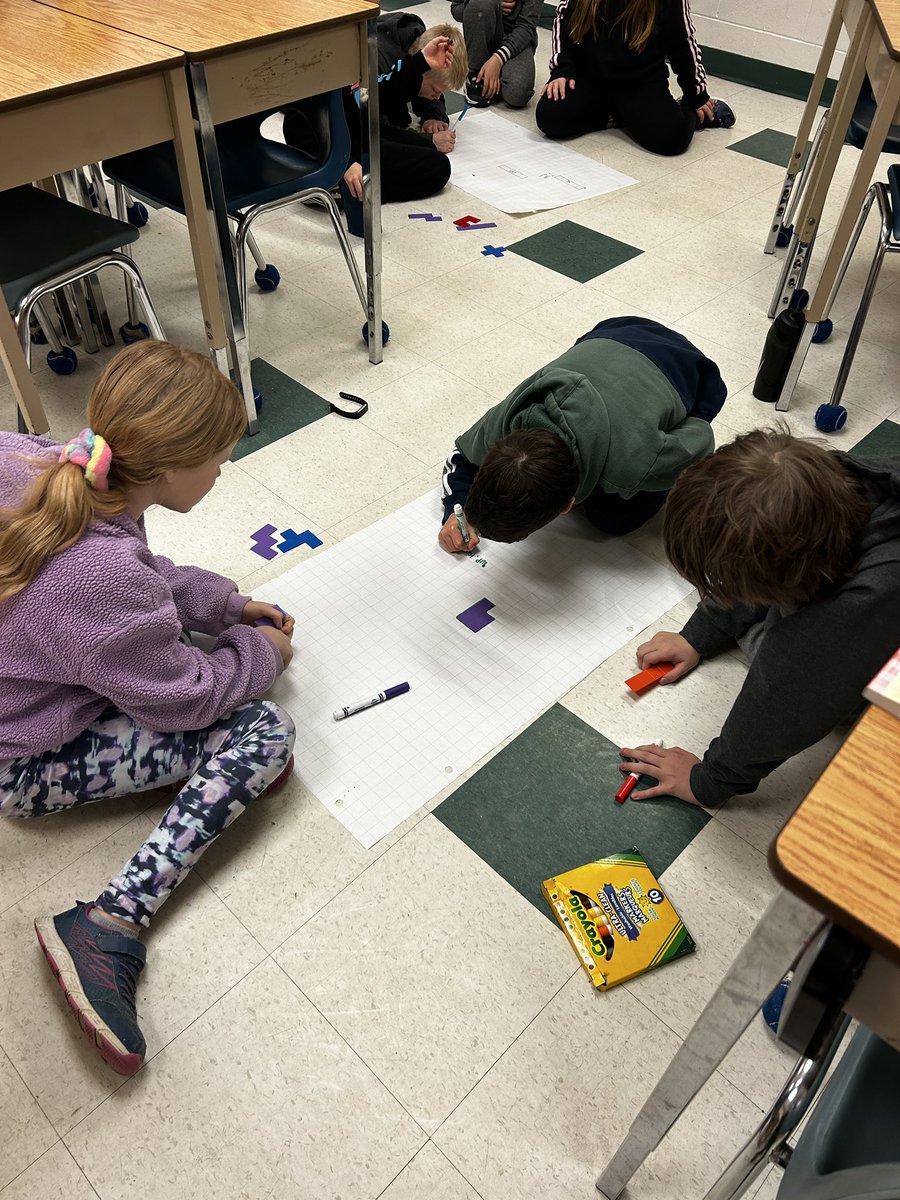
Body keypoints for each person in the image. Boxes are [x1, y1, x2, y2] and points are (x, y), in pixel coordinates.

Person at [0, 341, 297, 1076]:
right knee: (265, 733)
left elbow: (129, 566)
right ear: (165, 470)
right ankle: (107, 925)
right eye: (219, 458)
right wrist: (262, 656)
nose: (224, 470)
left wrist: (218, 600)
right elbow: (187, 697)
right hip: (21, 761)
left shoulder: (41, 456)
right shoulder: (99, 577)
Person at [618, 430, 900, 807]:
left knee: (787, 655)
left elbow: (788, 696)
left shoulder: (852, 609)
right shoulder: (834, 477)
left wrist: (710, 780)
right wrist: (702, 633)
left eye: (728, 587)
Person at [438, 315, 726, 552]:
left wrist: (676, 421)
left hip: (690, 369)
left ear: (568, 506)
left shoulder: (633, 465)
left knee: (613, 519)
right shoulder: (509, 418)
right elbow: (460, 456)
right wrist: (456, 508)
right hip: (612, 330)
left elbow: (701, 439)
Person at [534, 0, 735, 156]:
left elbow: (682, 42)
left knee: (672, 139)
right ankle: (617, 116)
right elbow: (563, 18)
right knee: (549, 117)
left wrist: (696, 96)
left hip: (640, 82)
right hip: (590, 78)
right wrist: (562, 69)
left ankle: (685, 109)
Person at [450, 0, 542, 110]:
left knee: (517, 93)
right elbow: (456, 10)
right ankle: (475, 72)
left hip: (517, 38)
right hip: (482, 28)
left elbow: (527, 26)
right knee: (481, 5)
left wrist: (499, 58)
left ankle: (493, 72)